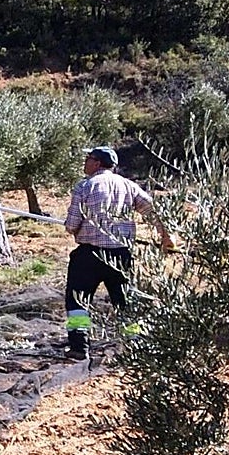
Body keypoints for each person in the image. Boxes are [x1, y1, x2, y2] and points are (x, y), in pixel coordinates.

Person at [63, 146, 174, 361]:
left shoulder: (84, 187)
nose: (85, 162)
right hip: (121, 256)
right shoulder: (129, 186)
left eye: (88, 158)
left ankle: (79, 347)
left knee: (77, 302)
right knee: (125, 302)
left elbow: (71, 225)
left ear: (97, 163)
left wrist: (71, 225)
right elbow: (151, 210)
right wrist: (165, 237)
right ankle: (134, 346)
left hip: (89, 256)